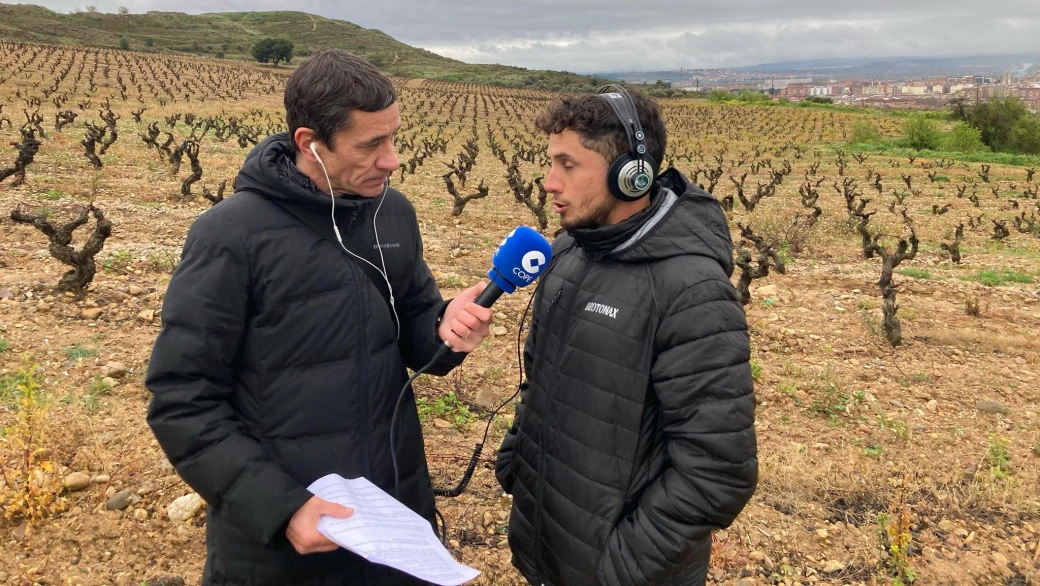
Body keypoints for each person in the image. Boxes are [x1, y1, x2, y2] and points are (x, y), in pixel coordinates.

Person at [145, 49, 493, 585]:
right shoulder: (232, 236)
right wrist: (281, 508)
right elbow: (181, 398)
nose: (392, 160)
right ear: (310, 143)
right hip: (286, 546)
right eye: (371, 144)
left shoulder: (392, 213)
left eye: (394, 138)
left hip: (394, 517)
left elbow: (412, 324)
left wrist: (443, 328)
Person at [495, 87, 758, 586]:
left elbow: (719, 470)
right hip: (547, 548)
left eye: (568, 165)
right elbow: (540, 380)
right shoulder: (567, 253)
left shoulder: (691, 291)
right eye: (550, 162)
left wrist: (617, 568)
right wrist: (517, 464)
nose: (549, 182)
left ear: (630, 174)